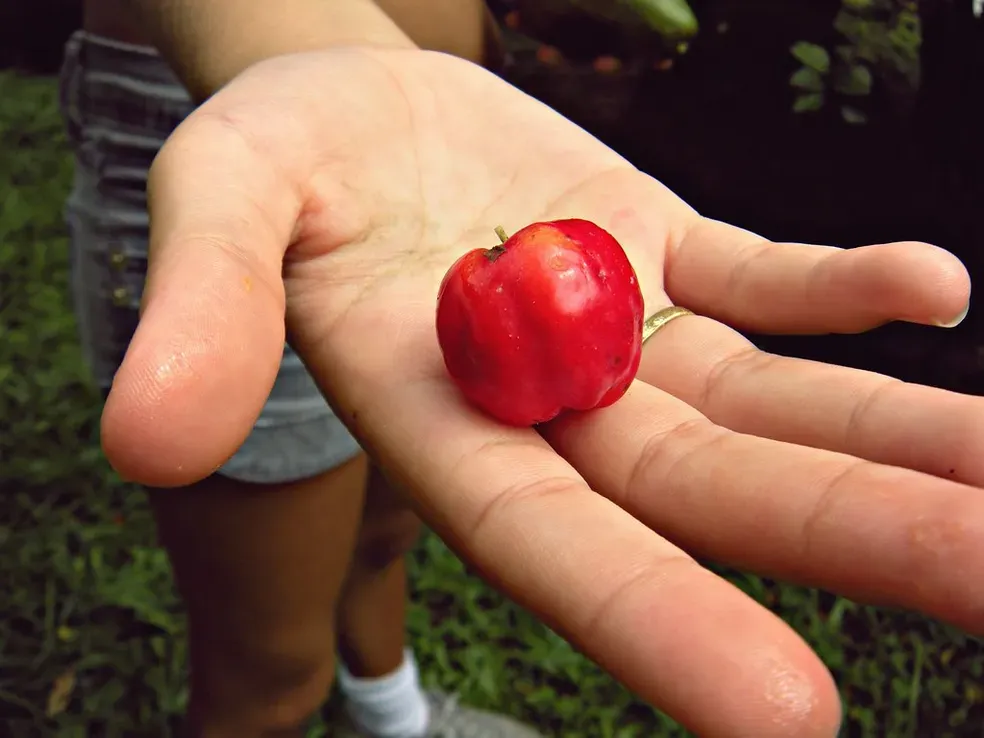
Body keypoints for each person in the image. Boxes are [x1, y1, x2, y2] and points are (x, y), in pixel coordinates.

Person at [62, 1, 983, 738]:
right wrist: (312, 50)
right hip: (266, 139)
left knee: (385, 528)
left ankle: (389, 705)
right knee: (270, 666)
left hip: (450, 137)